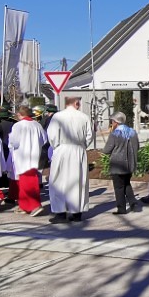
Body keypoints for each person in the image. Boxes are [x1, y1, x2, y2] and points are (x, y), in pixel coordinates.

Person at [46, 96, 94, 224]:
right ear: (76, 103)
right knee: (78, 181)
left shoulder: (58, 117)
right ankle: (77, 212)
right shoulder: (84, 117)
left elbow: (52, 135)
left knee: (58, 181)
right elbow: (89, 135)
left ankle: (60, 213)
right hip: (78, 150)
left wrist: (56, 146)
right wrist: (82, 146)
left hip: (62, 149)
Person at [8, 105, 48, 216]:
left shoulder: (18, 126)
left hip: (22, 157)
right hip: (34, 156)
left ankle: (35, 205)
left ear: (19, 114)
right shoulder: (37, 125)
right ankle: (23, 205)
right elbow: (44, 139)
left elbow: (14, 142)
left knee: (27, 184)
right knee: (27, 182)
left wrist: (10, 140)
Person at [103, 112, 141, 215]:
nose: (111, 123)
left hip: (118, 164)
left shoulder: (115, 134)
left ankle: (121, 208)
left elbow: (107, 150)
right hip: (130, 163)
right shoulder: (132, 132)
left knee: (119, 187)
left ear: (116, 122)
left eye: (112, 121)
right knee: (127, 183)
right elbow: (137, 147)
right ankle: (133, 204)